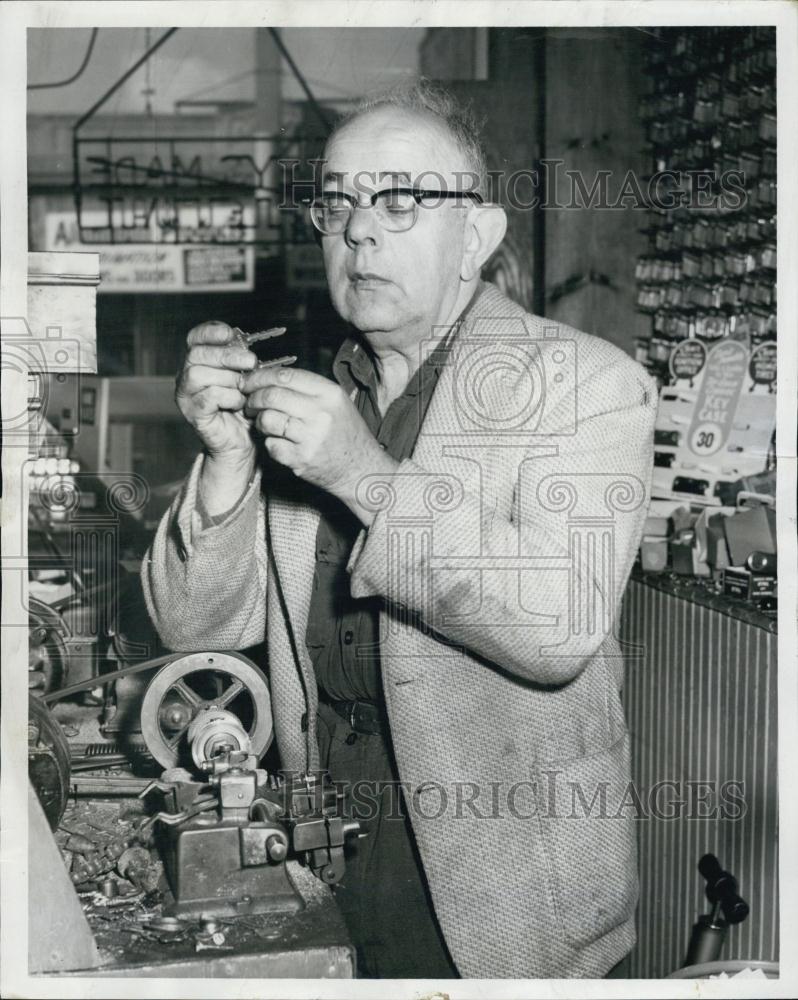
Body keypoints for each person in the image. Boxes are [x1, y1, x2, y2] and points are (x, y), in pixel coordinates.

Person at [142, 82, 657, 979]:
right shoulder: (319, 393)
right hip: (325, 857)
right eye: (337, 202)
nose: (360, 231)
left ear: (479, 238)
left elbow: (556, 629)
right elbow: (199, 638)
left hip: (503, 890)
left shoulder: (585, 385)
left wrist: (363, 475)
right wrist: (227, 459)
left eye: (401, 200)